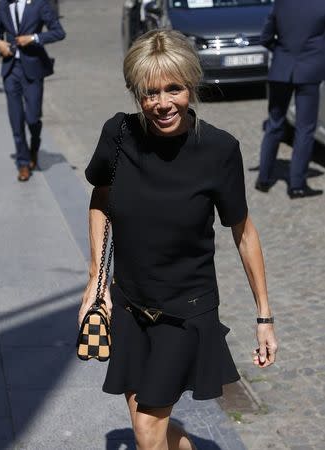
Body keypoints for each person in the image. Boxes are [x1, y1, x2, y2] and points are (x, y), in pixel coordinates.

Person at [79, 30, 278, 450]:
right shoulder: (119, 135)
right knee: (148, 427)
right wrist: (96, 281)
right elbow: (101, 200)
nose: (163, 103)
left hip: (185, 312)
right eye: (151, 93)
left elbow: (243, 232)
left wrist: (264, 317)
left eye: (175, 89)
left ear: (191, 86)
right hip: (130, 305)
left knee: (147, 430)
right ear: (137, 94)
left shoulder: (219, 150)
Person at [256, 0, 325, 198]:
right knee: (305, 128)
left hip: (281, 69)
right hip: (310, 71)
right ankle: (296, 185)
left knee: (274, 124)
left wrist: (282, 54)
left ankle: (263, 179)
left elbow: (266, 37)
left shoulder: (282, 3)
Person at [0, 0, 66, 181]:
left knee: (32, 118)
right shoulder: (3, 4)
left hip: (33, 69)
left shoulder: (40, 4)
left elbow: (58, 32)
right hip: (10, 70)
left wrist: (34, 38)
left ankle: (34, 146)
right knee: (16, 119)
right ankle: (23, 163)